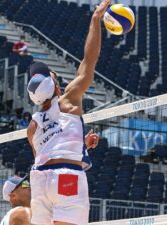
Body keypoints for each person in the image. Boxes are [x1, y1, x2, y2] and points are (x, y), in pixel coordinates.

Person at [26, 0, 110, 224]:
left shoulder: (32, 125)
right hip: (66, 178)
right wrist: (95, 20)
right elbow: (90, 60)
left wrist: (80, 144)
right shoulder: (68, 100)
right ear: (56, 88)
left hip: (40, 180)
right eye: (54, 77)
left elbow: (48, 151)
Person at [0, 133, 99, 225]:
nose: (29, 185)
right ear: (13, 195)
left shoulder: (17, 215)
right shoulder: (21, 213)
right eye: (24, 184)